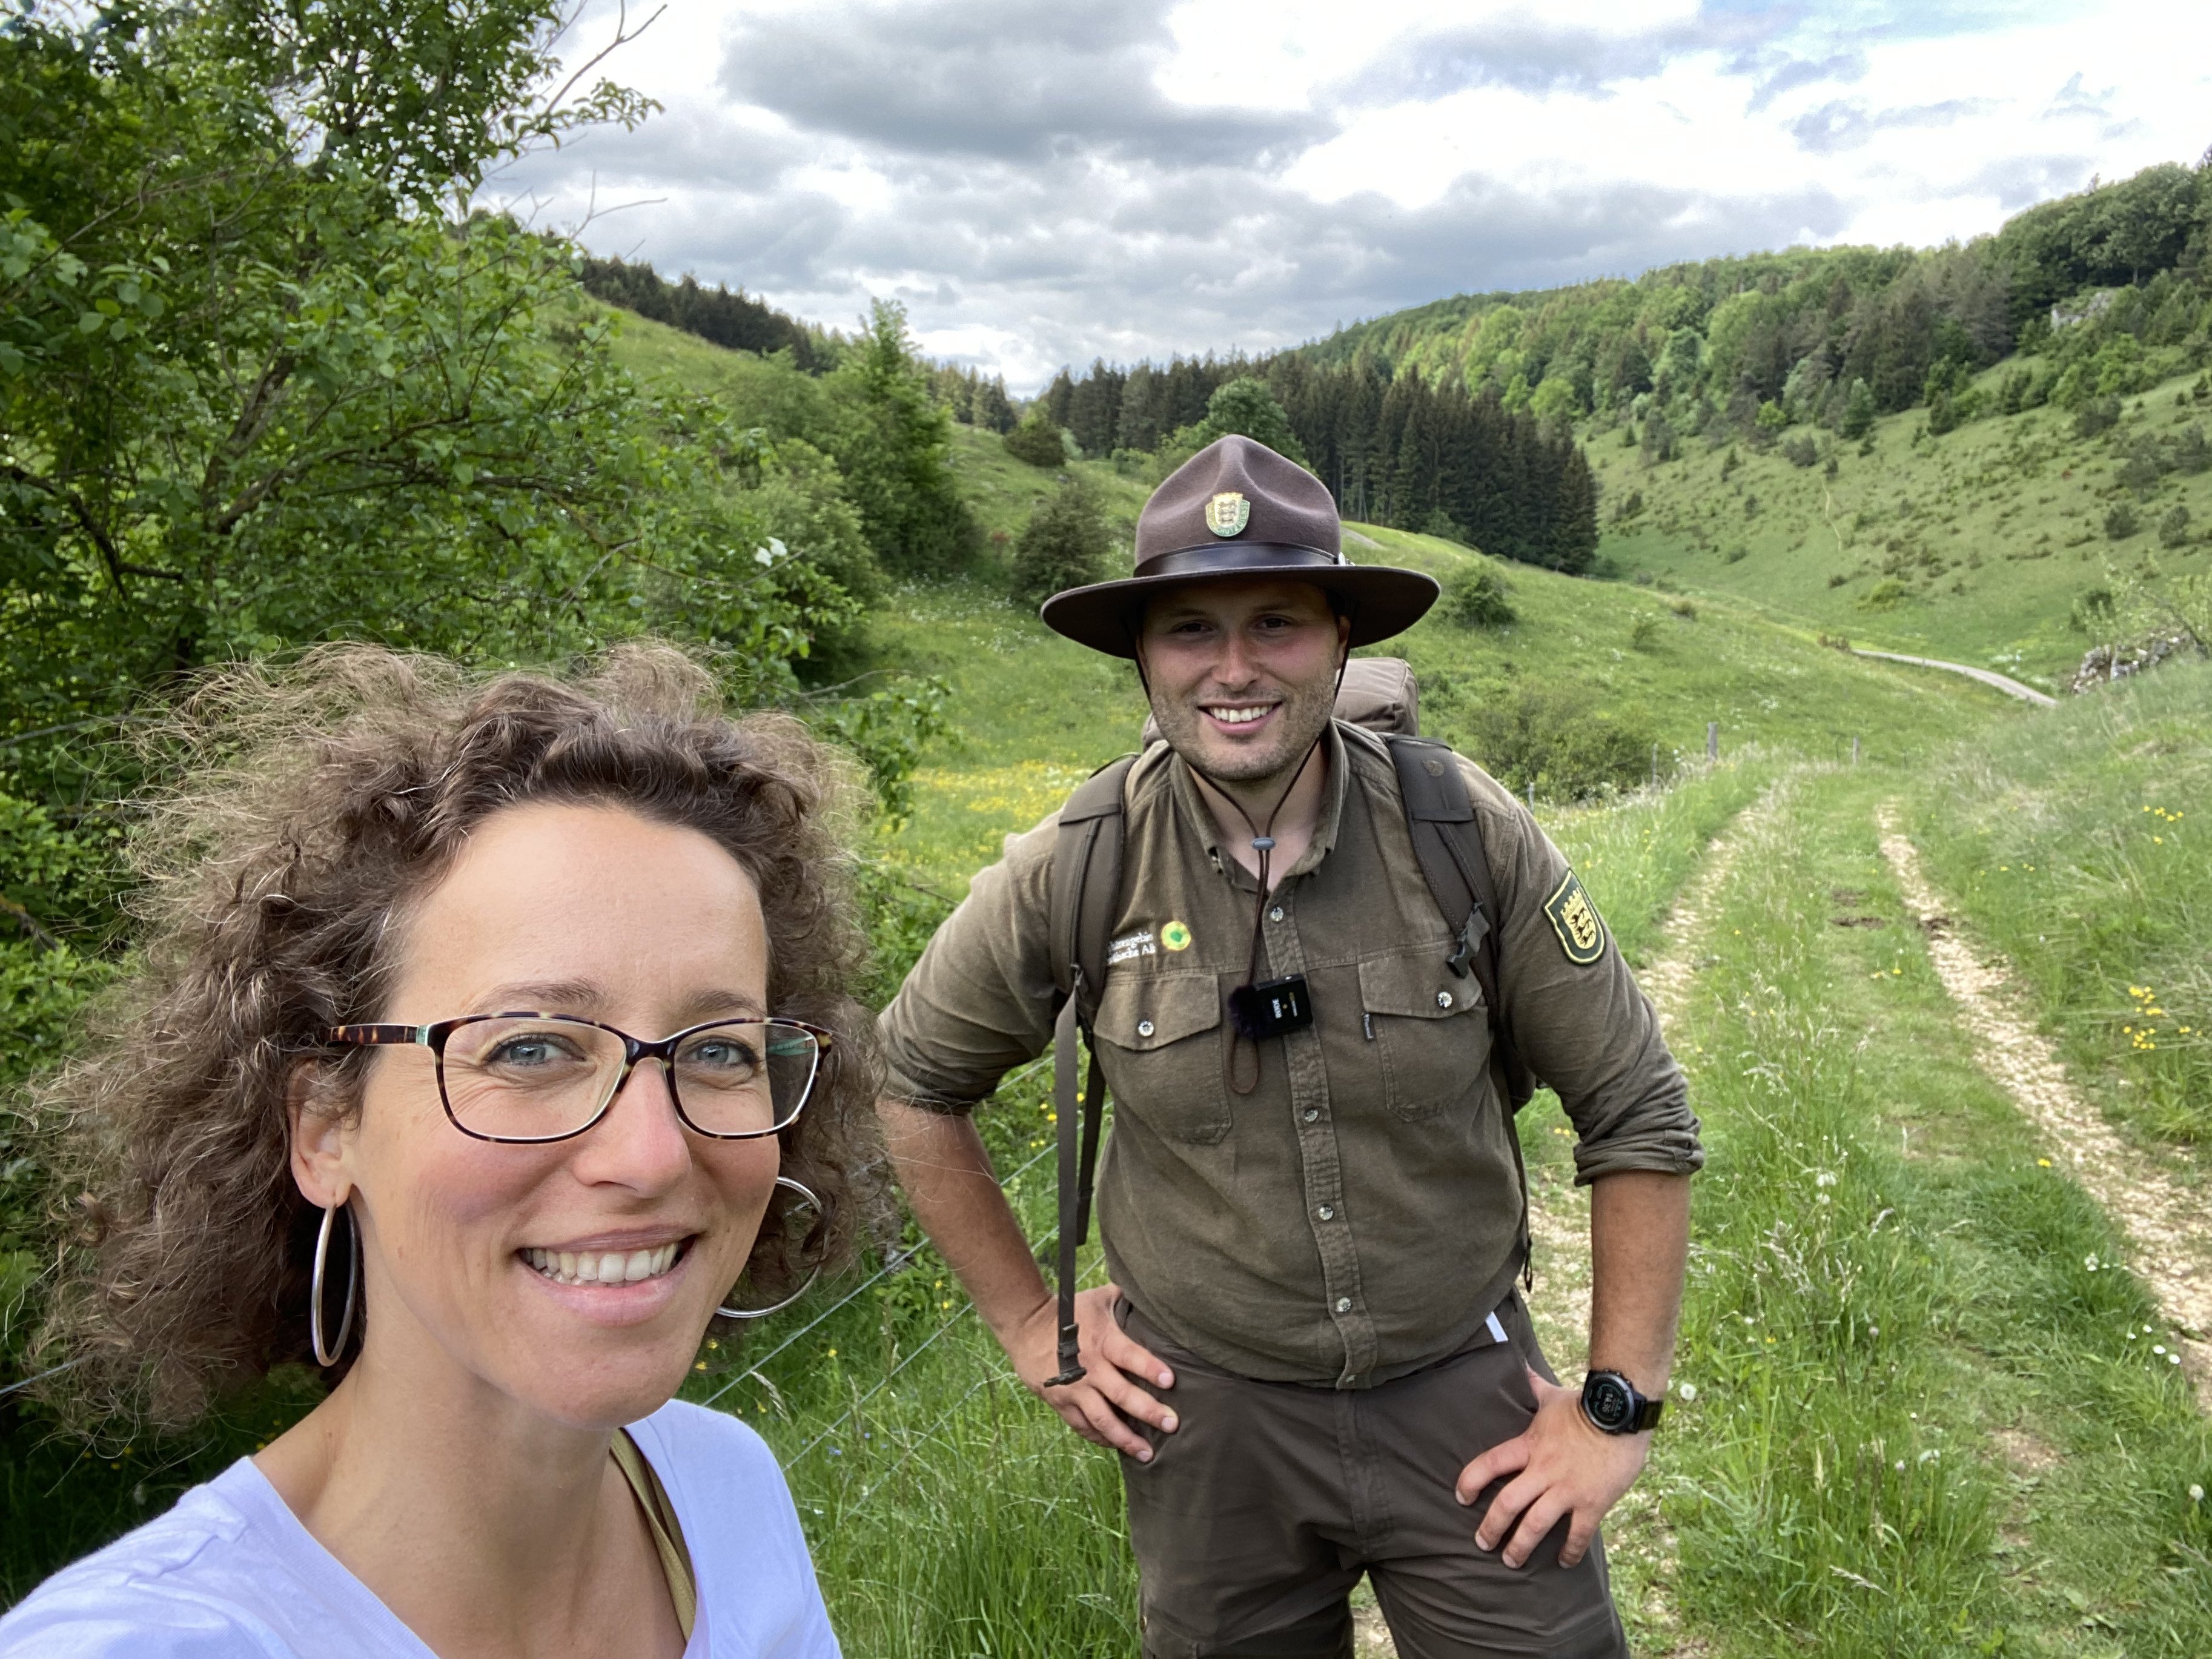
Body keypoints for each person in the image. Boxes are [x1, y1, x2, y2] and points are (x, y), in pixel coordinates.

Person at [876, 435, 1703, 1658]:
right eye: (1189, 630)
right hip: (1204, 1430)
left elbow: (1634, 1108)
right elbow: (910, 1078)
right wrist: (1027, 1322)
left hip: (1463, 1392)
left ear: (1340, 641)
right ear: (1142, 660)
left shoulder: (1462, 828)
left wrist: (1614, 1408)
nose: (1232, 667)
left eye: (1275, 622)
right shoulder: (1075, 865)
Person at [0, 644, 872, 1658]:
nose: (652, 1155)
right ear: (326, 1129)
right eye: (531, 1047)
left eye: (718, 1049)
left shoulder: (725, 1489)